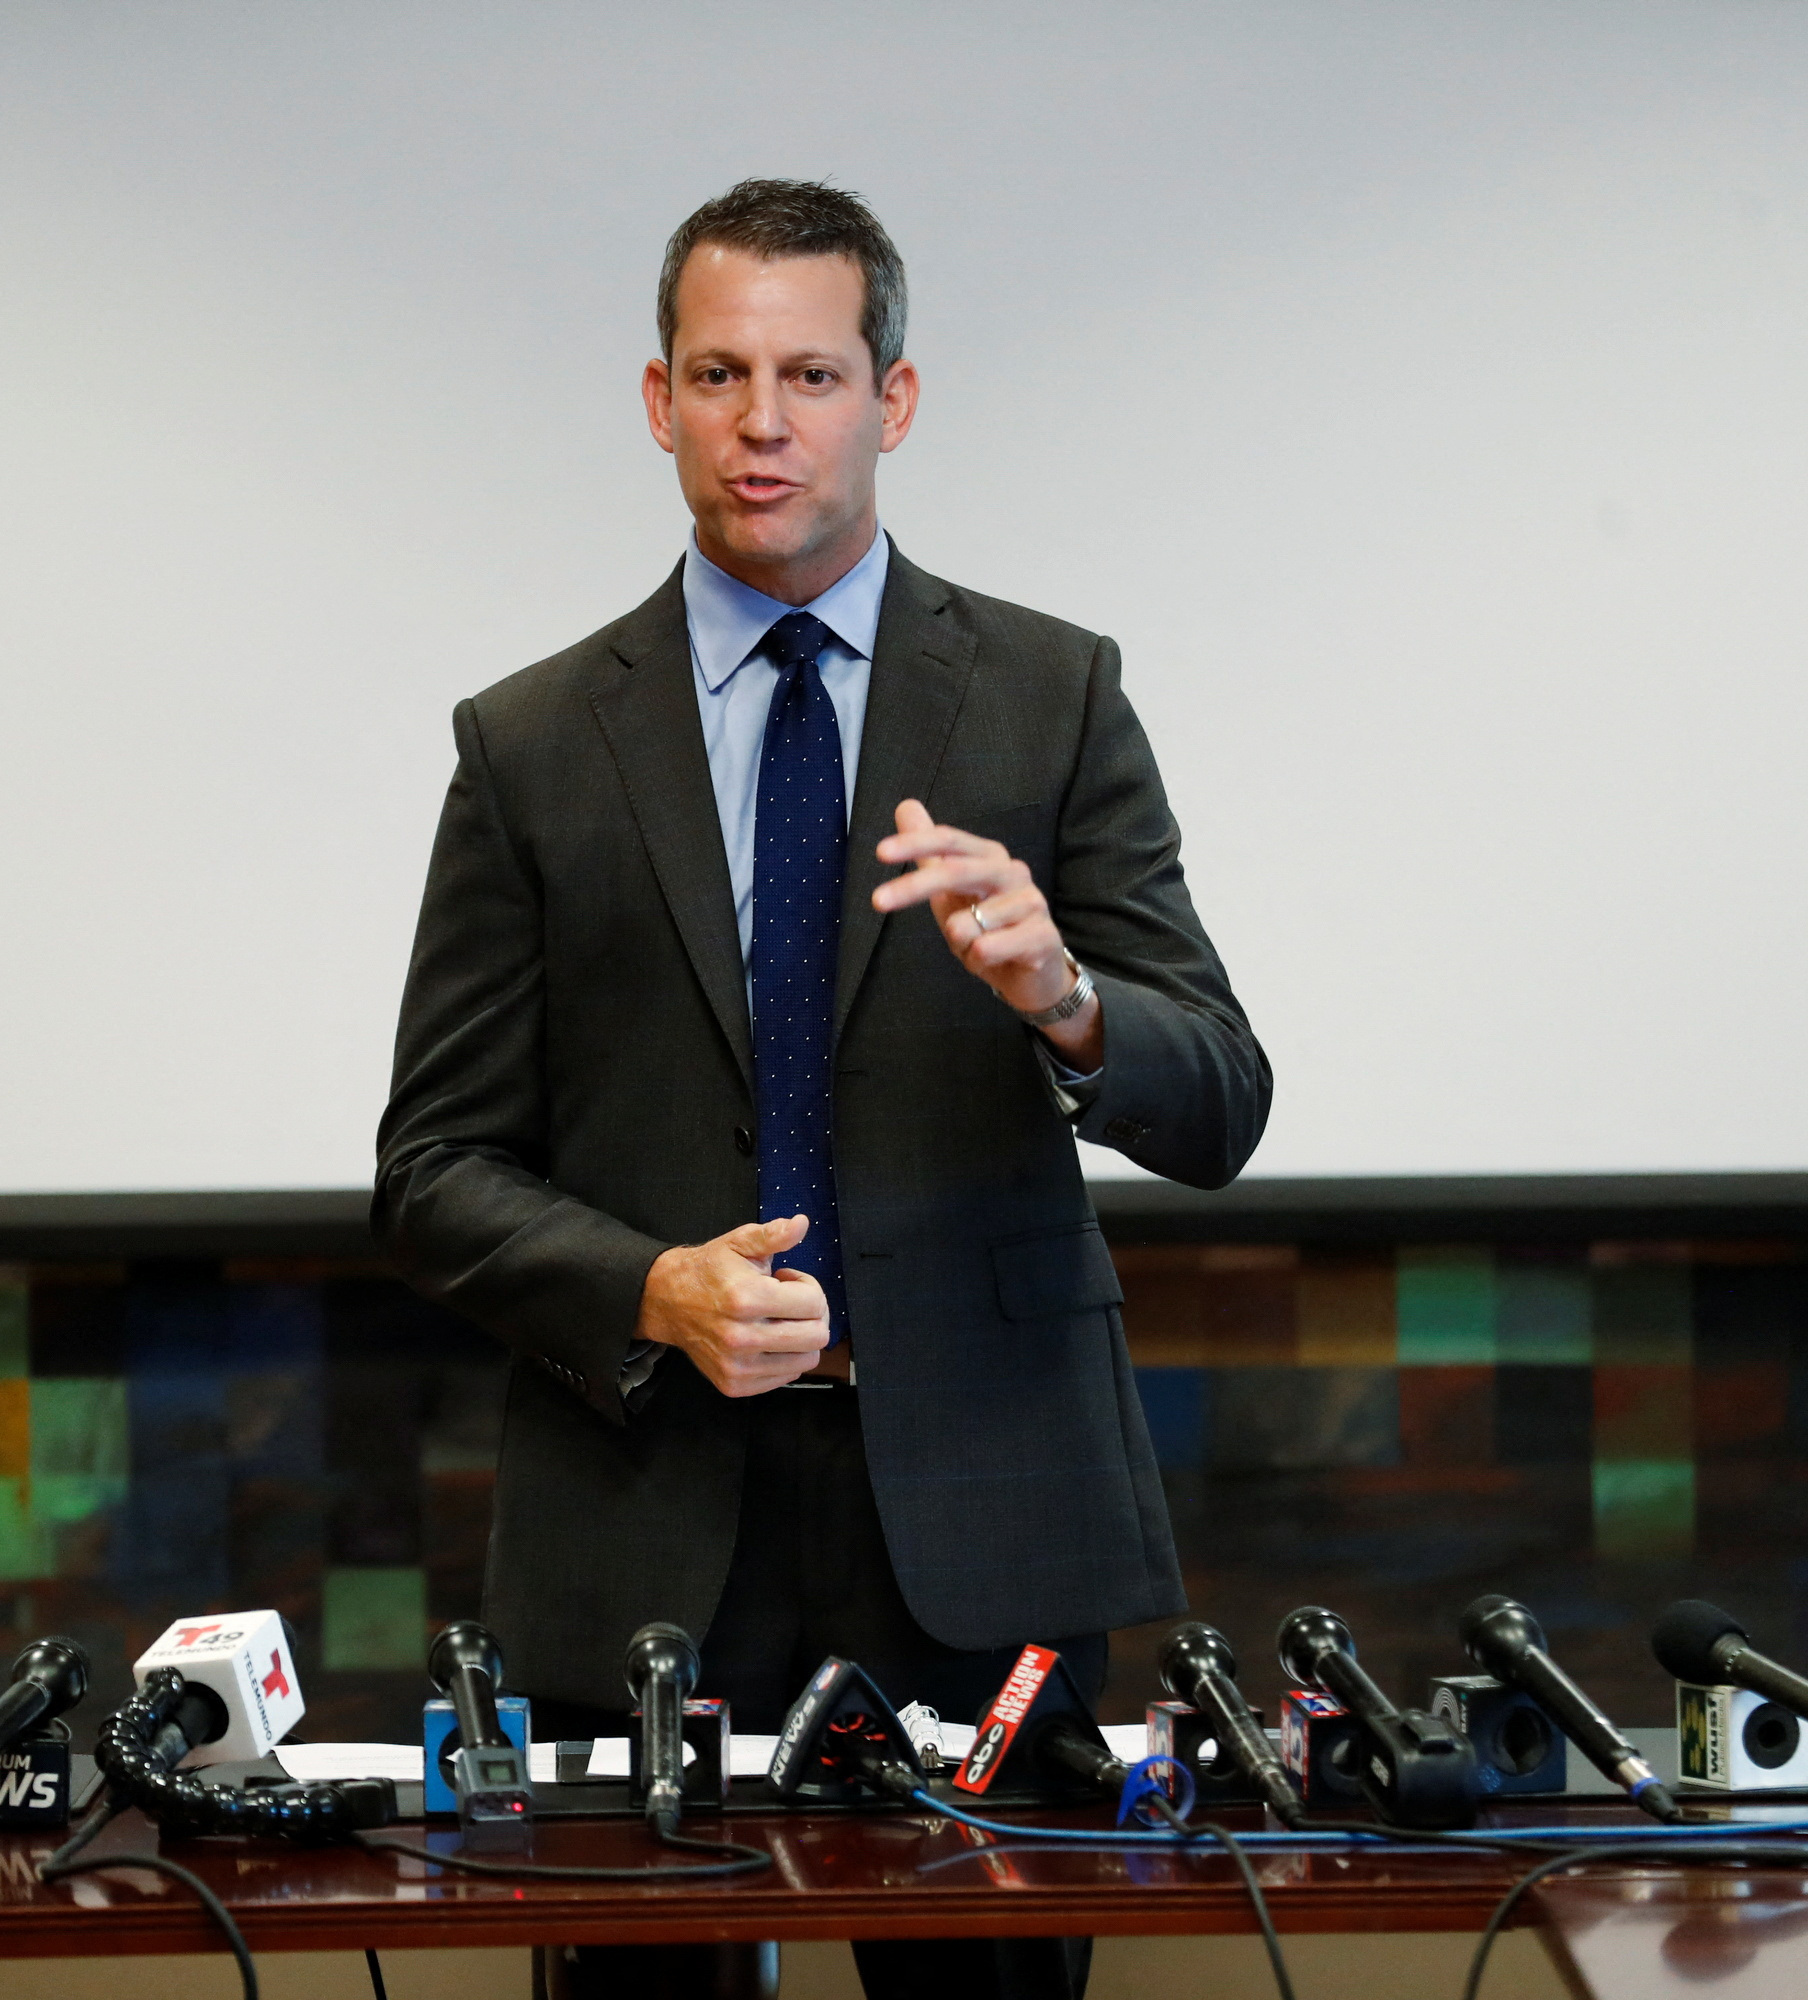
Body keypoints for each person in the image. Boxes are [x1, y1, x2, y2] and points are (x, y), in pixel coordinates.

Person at [374, 178, 1269, 2000]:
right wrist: (648, 1287)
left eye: (810, 373)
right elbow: (433, 1165)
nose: (763, 422)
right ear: (657, 398)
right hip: (643, 1514)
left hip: (978, 1517)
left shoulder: (1048, 694)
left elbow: (1222, 1099)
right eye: (719, 373)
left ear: (896, 398)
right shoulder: (532, 744)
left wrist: (1064, 996)